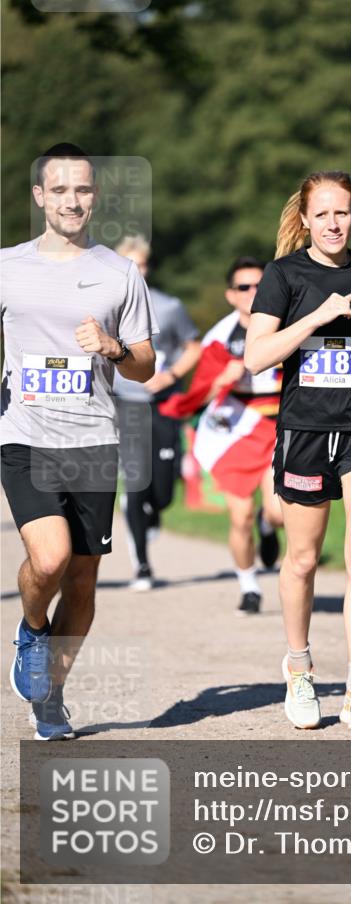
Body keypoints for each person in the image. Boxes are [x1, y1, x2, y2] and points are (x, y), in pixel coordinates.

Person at [1, 144, 157, 739]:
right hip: (24, 433)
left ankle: (51, 697)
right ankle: (32, 629)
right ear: (40, 196)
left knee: (84, 580)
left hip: (93, 439)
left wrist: (114, 348)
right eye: (60, 189)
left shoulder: (119, 272)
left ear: (95, 197)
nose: (73, 200)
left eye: (83, 190)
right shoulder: (7, 266)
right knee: (50, 558)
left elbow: (144, 365)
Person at [245, 171, 351, 730]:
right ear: (307, 219)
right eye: (323, 214)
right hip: (305, 427)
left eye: (342, 212)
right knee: (304, 559)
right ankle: (300, 669)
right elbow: (256, 357)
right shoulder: (283, 275)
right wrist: (315, 316)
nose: (333, 223)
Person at [161, 257, 283, 614]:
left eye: (260, 285)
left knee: (277, 512)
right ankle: (248, 586)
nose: (253, 293)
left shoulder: (288, 324)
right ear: (231, 295)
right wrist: (223, 380)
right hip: (237, 430)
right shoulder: (220, 337)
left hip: (280, 426)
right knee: (239, 514)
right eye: (244, 287)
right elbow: (201, 394)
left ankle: (268, 525)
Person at [113, 235, 201, 590]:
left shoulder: (168, 306)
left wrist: (172, 374)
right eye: (130, 265)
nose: (138, 271)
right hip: (125, 403)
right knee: (136, 483)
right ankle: (143, 567)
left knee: (162, 491)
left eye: (143, 264)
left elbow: (193, 347)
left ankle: (153, 510)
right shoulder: (108, 308)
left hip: (164, 404)